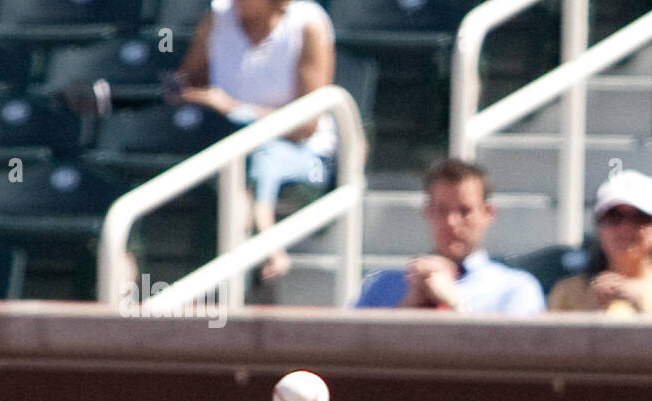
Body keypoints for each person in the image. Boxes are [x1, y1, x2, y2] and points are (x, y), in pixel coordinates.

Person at [169, 0, 337, 282]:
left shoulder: (308, 24)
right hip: (226, 148)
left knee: (256, 160)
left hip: (301, 154)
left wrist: (236, 110)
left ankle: (239, 279)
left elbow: (306, 126)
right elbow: (186, 84)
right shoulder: (215, 19)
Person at [354, 159, 545, 314]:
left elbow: (514, 356)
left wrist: (455, 305)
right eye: (442, 210)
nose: (452, 222)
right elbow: (348, 353)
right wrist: (406, 309)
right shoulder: (382, 286)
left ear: (488, 213)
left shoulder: (514, 289)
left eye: (465, 211)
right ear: (427, 212)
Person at [547, 170, 652, 317]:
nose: (626, 228)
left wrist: (645, 310)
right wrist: (591, 313)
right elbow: (552, 348)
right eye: (613, 217)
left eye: (641, 218)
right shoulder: (568, 292)